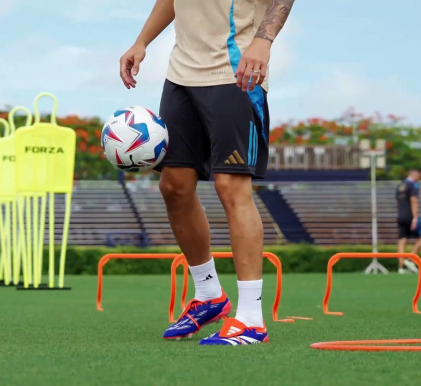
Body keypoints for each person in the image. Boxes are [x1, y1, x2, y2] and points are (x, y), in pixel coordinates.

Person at [119, 0, 295, 346]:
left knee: (231, 187)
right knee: (173, 186)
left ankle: (250, 320)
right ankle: (209, 294)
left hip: (235, 69)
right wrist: (142, 41)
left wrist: (264, 40)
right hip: (181, 74)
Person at [395, 169, 421, 273]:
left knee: (402, 240)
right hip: (409, 216)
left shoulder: (400, 186)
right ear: (414, 175)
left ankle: (401, 267)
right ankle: (410, 259)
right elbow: (413, 200)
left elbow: (397, 202)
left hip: (400, 215)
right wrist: (415, 217)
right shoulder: (412, 185)